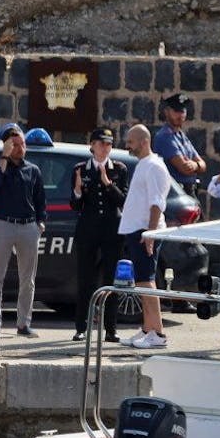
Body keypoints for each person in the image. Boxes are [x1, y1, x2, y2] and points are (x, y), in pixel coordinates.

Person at [0, 125, 47, 338]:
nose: (20, 148)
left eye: (22, 144)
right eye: (15, 145)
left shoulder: (33, 170)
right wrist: (4, 156)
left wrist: (40, 222)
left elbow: (40, 199)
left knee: (27, 278)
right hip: (4, 224)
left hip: (28, 226)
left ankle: (23, 324)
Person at [70, 127, 130, 343]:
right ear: (93, 145)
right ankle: (81, 327)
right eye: (102, 143)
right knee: (85, 279)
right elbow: (75, 205)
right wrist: (77, 191)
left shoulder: (119, 169)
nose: (106, 148)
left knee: (111, 279)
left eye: (109, 144)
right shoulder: (81, 169)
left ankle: (111, 329)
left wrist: (107, 183)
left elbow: (122, 200)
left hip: (112, 231)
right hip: (88, 231)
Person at [118, 124, 172, 349]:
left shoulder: (154, 167)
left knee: (147, 280)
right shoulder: (143, 165)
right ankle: (147, 328)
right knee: (141, 279)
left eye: (131, 141)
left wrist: (150, 233)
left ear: (144, 141)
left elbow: (157, 202)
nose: (127, 145)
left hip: (144, 230)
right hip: (136, 229)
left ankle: (157, 333)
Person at [156, 93, 208, 195]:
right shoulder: (164, 136)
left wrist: (195, 165)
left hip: (188, 190)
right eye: (176, 111)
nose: (180, 115)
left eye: (182, 111)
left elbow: (203, 165)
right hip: (175, 192)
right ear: (167, 112)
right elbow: (184, 169)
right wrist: (196, 166)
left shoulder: (181, 136)